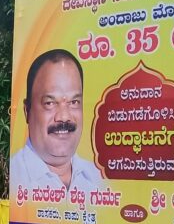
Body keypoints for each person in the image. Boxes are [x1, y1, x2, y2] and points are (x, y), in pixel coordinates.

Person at [9, 49, 103, 193]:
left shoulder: (99, 179)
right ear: (27, 111)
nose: (64, 117)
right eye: (50, 103)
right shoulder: (13, 178)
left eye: (74, 102)